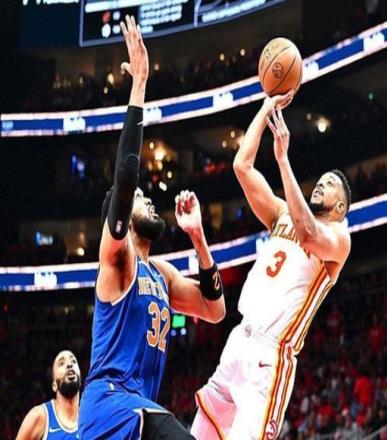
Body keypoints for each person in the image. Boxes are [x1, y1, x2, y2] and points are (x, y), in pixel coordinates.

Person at [78, 15, 225, 440]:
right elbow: (126, 177)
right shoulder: (117, 257)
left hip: (133, 412)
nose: (147, 200)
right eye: (141, 198)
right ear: (122, 216)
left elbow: (214, 310)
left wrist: (198, 238)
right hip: (110, 405)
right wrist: (139, 85)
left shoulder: (161, 274)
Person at [190, 93, 351, 439]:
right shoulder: (282, 214)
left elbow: (308, 234)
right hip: (239, 339)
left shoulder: (339, 238)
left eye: (330, 185)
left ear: (340, 207)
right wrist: (266, 107)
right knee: (199, 433)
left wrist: (282, 159)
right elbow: (242, 166)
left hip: (270, 355)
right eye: (321, 180)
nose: (321, 184)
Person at [16, 350, 81, 439]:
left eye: (73, 361)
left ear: (80, 378)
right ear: (54, 386)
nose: (69, 365)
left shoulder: (88, 418)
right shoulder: (40, 416)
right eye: (61, 363)